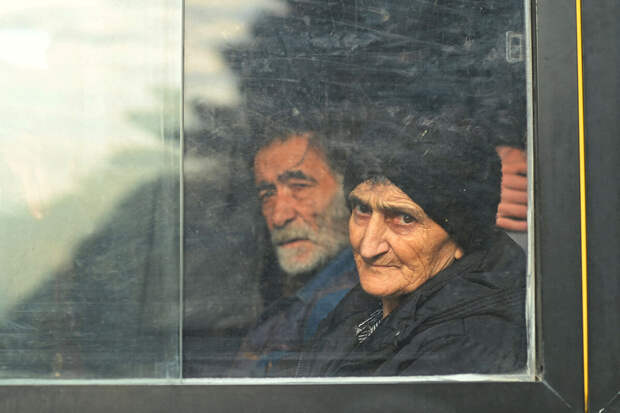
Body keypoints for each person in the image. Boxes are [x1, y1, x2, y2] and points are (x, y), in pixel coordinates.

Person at [297, 109, 527, 376]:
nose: (368, 248)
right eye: (362, 210)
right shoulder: (375, 303)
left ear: (461, 237)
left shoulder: (462, 347)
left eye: (404, 219)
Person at [230, 113, 360, 377]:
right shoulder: (301, 297)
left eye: (299, 186)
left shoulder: (341, 305)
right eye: (267, 194)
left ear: (349, 191)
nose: (279, 216)